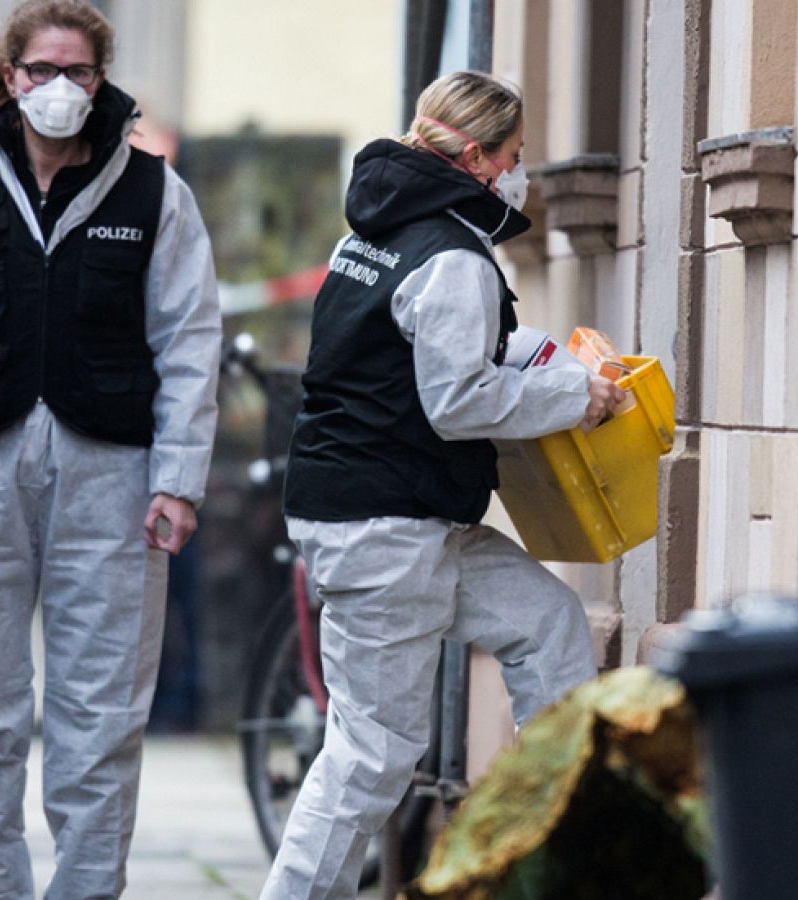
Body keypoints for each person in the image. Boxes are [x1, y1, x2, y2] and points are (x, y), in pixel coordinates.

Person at [260, 70, 624, 899]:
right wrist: (579, 395)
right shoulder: (452, 253)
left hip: (396, 516)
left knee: (549, 623)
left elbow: (431, 351)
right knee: (371, 755)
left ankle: (559, 848)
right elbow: (458, 398)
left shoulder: (380, 230)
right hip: (388, 524)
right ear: (476, 157)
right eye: (514, 155)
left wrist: (541, 356)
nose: (518, 171)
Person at [0, 1, 222, 896]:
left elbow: (190, 340)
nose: (61, 89)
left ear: (103, 81)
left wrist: (178, 482)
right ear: (10, 79)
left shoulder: (155, 190)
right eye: (42, 71)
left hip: (115, 473)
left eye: (79, 72)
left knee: (101, 717)